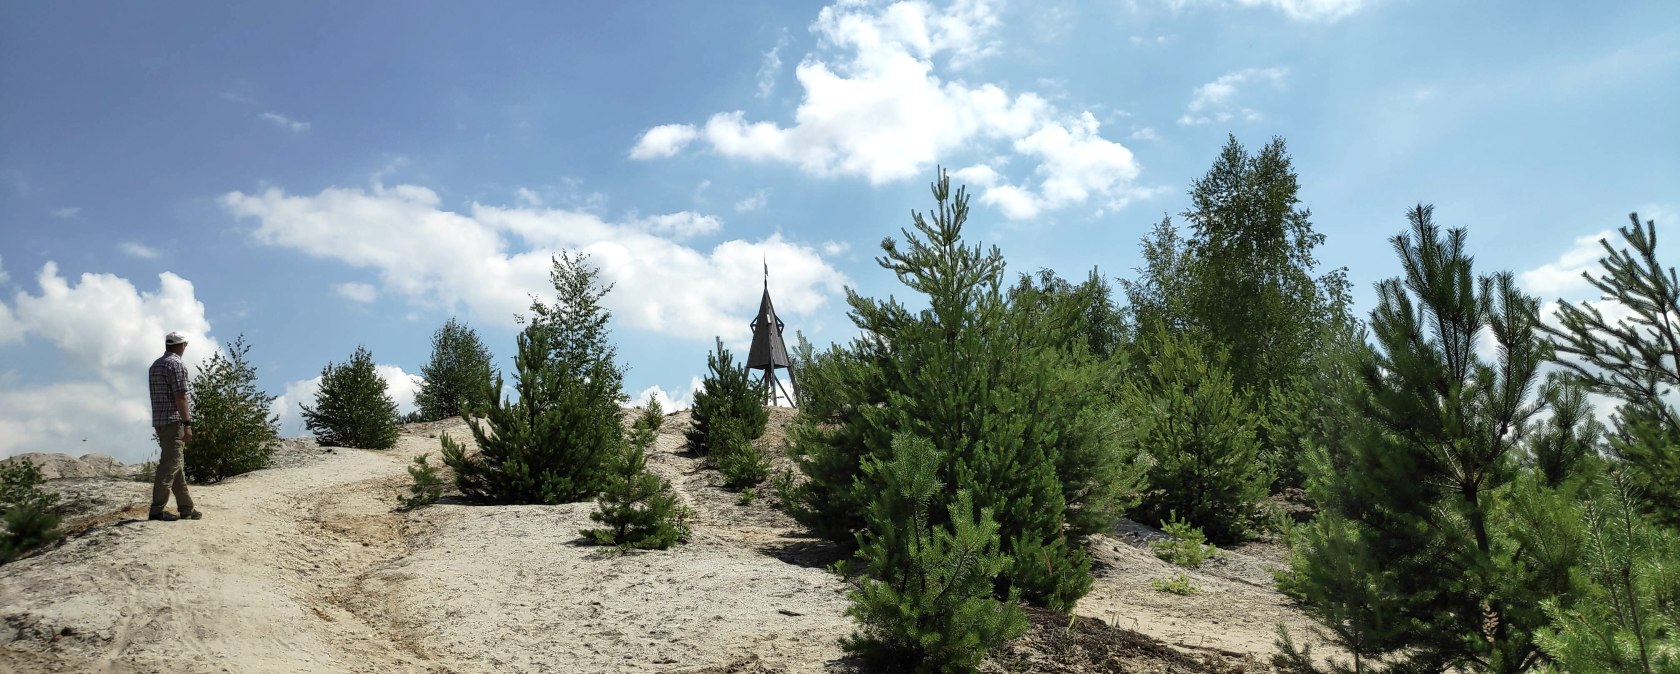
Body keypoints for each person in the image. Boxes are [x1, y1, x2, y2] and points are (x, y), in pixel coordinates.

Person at [147, 332, 200, 521]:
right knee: (170, 465)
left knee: (176, 464)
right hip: (173, 421)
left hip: (159, 422)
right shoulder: (176, 365)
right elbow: (181, 396)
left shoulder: (156, 365)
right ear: (182, 345)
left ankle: (186, 508)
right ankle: (156, 510)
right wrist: (187, 424)